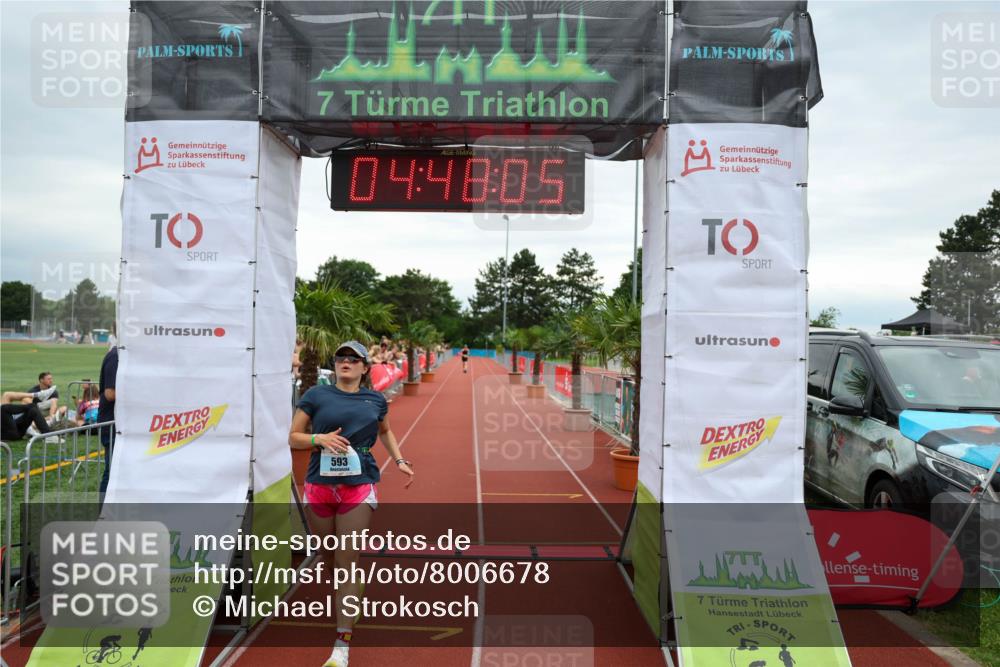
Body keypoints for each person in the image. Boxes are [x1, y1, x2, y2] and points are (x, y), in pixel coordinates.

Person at [288, 340, 414, 667]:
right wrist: (320, 439)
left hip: (358, 486)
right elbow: (293, 437)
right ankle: (352, 591)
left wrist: (399, 460)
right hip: (318, 486)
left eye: (353, 358)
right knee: (330, 563)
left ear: (363, 367)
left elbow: (385, 431)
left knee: (346, 563)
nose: (345, 361)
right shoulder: (317, 394)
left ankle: (341, 644)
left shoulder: (374, 399)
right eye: (341, 357)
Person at [97, 346, 118, 501]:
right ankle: (103, 513)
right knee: (111, 472)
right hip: (112, 424)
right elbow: (110, 393)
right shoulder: (116, 355)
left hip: (120, 424)